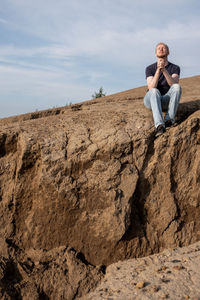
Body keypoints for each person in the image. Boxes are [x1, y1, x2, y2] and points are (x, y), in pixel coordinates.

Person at [144, 42, 181, 137]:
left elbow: (173, 84)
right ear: (156, 53)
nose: (161, 49)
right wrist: (158, 70)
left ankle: (169, 120)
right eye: (158, 48)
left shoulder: (175, 68)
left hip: (165, 100)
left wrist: (164, 70)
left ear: (168, 52)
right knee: (154, 91)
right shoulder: (149, 68)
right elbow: (151, 87)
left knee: (177, 87)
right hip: (152, 100)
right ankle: (159, 125)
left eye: (163, 48)